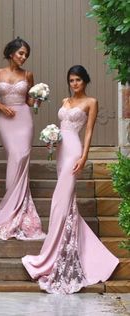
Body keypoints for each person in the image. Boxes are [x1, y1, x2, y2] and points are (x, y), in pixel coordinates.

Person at [22, 65, 119, 294]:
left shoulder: (91, 102)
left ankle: (52, 254)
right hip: (60, 151)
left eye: (78, 80)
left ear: (85, 81)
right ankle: (85, 253)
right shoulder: (65, 100)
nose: (74, 84)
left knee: (59, 202)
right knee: (66, 204)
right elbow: (61, 127)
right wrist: (51, 141)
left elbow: (88, 132)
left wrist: (84, 156)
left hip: (74, 151)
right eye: (71, 80)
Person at [0, 37, 45, 240]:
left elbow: (30, 102)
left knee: (22, 158)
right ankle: (10, 206)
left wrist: (38, 100)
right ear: (11, 53)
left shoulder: (28, 74)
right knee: (14, 155)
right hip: (5, 119)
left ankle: (17, 205)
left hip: (24, 119)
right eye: (21, 53)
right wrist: (2, 107)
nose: (23, 57)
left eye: (26, 54)